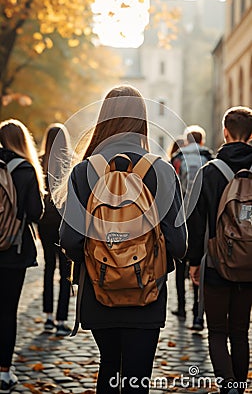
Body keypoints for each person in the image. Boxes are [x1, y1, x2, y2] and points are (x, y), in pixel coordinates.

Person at [59, 85, 187, 394]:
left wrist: (103, 259)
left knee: (109, 367)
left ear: (104, 120)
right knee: (137, 376)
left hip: (99, 292)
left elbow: (70, 239)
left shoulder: (83, 171)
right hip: (147, 294)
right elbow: (180, 244)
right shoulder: (163, 171)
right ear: (142, 119)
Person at [188, 107, 252, 394]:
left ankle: (229, 387)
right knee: (240, 331)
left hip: (215, 262)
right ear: (250, 136)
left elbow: (196, 222)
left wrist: (193, 263)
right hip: (250, 263)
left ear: (225, 132)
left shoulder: (209, 172)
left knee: (217, 331)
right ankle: (240, 382)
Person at [0, 119, 44, 393]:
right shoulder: (25, 168)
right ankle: (4, 372)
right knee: (7, 311)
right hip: (13, 250)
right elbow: (36, 212)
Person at [171, 125, 213, 329]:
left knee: (180, 264)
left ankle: (181, 306)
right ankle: (198, 313)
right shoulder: (208, 159)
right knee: (198, 264)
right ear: (201, 141)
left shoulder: (177, 158)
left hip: (180, 215)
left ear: (187, 141)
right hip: (201, 218)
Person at [38, 123, 72, 337]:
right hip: (64, 220)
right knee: (65, 273)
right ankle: (61, 319)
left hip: (44, 220)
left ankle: (48, 317)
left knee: (48, 267)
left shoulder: (40, 160)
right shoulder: (69, 161)